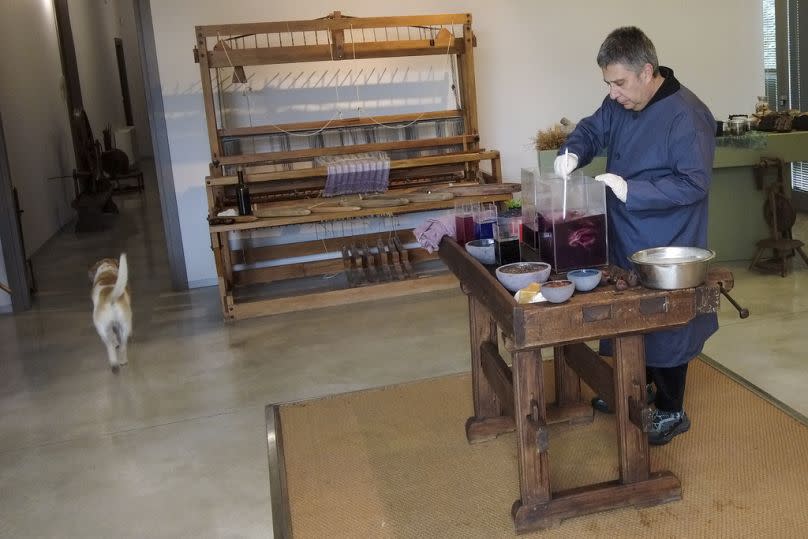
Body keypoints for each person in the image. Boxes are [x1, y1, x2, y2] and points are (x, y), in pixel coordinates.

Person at [554, 26, 718, 445]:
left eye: (619, 83)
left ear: (647, 71)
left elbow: (694, 184)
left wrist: (633, 190)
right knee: (626, 316)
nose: (613, 93)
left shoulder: (687, 115)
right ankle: (631, 389)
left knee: (664, 325)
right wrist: (573, 151)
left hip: (668, 237)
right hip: (625, 232)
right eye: (608, 83)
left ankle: (670, 409)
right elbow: (593, 129)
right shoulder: (621, 103)